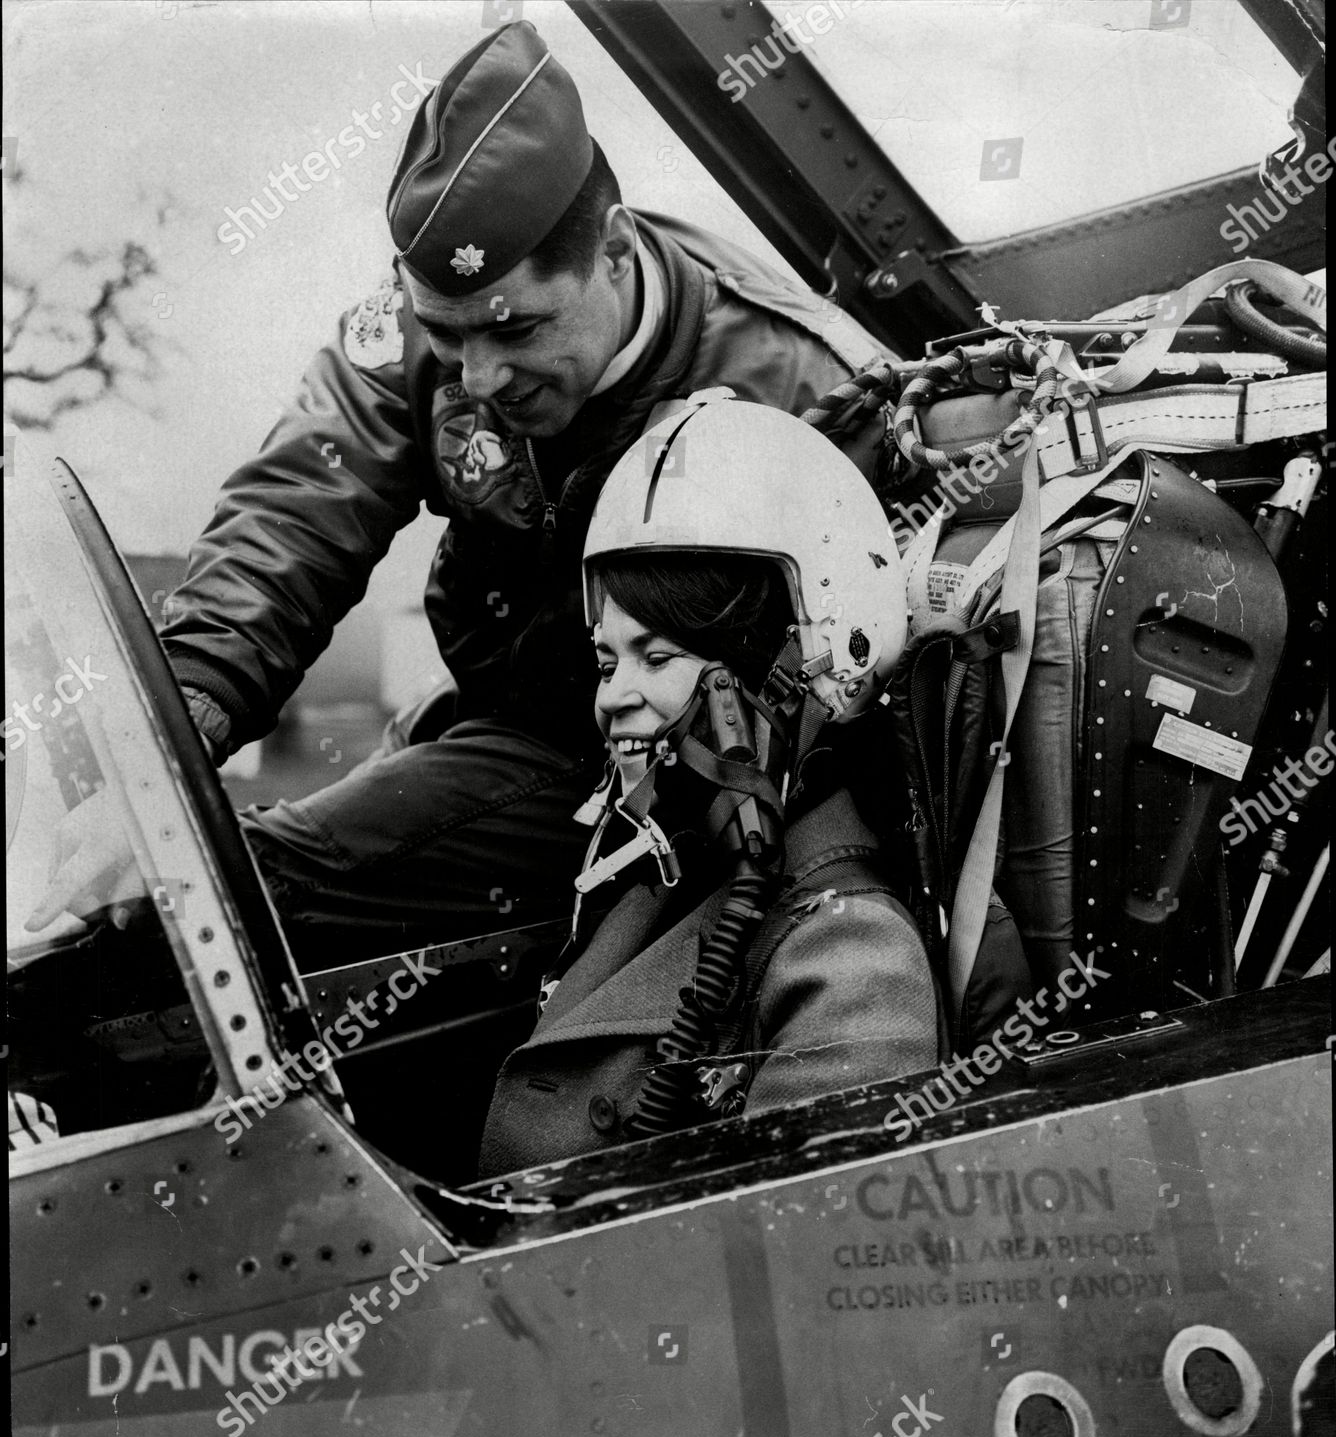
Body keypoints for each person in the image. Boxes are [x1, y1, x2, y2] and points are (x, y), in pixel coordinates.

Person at [27, 19, 887, 968]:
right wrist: (165, 756)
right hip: (491, 720)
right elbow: (292, 523)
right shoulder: (406, 335)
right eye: (447, 331)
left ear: (612, 250)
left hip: (683, 780)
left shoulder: (801, 384)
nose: (476, 376)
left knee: (252, 889)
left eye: (513, 329)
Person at [478, 394, 939, 1177]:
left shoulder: (854, 958)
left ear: (789, 674)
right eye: (605, 660)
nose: (612, 695)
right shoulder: (672, 875)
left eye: (656, 658)